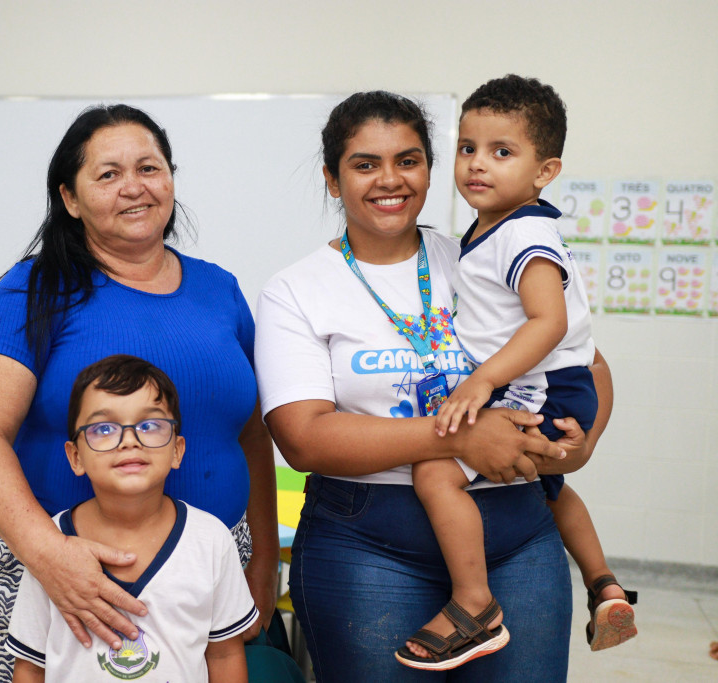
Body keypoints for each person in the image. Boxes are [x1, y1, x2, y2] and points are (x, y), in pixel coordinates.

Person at [254, 90, 614, 681]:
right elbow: (304, 439)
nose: (388, 180)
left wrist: (579, 445)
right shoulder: (296, 291)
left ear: (428, 168)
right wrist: (459, 441)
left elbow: (586, 358)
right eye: (364, 164)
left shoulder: (478, 254)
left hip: (517, 534)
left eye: (409, 159)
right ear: (331, 178)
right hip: (368, 545)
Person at [0, 104, 278, 682]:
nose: (134, 187)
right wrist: (51, 558)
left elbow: (250, 434)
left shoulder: (218, 289)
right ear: (70, 199)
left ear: (171, 179)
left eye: (149, 168)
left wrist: (264, 566)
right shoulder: (30, 291)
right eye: (108, 174)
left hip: (208, 565)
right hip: (63, 564)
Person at [397, 75, 636, 670]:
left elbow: (547, 321)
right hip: (553, 384)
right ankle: (604, 584)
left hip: (540, 385)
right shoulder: (491, 231)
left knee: (432, 471)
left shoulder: (523, 233)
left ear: (545, 171)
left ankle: (474, 605)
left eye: (503, 152)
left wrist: (481, 382)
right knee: (550, 489)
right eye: (468, 147)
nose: (479, 164)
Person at [7, 355, 258, 683]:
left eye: (150, 425)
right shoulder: (50, 544)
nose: (129, 440)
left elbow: (225, 654)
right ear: (75, 456)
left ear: (177, 450)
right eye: (104, 428)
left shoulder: (211, 540)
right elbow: (30, 666)